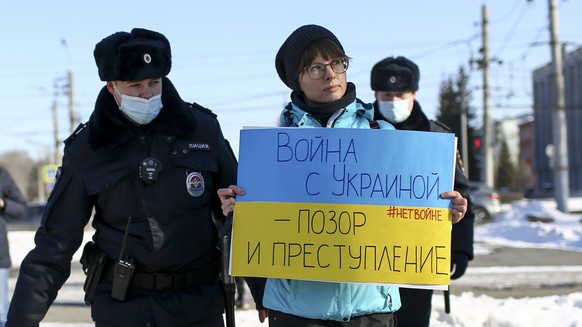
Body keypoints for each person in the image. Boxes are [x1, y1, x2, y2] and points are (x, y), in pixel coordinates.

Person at [217, 24, 468, 327]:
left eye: (337, 63)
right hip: (297, 313)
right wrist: (238, 212)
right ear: (296, 79)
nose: (331, 74)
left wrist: (443, 213)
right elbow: (258, 234)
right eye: (315, 68)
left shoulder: (383, 135)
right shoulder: (273, 148)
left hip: (371, 311)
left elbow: (403, 220)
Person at [6, 28, 238, 327]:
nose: (148, 94)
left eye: (155, 83)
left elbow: (244, 213)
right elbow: (55, 244)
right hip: (123, 308)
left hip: (197, 305)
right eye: (135, 85)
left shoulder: (202, 130)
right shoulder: (87, 149)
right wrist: (21, 321)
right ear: (111, 87)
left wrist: (262, 292)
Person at [370, 56, 475, 327]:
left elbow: (460, 194)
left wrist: (460, 249)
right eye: (387, 94)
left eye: (400, 94)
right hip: (366, 258)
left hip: (417, 261)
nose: (393, 100)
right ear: (376, 94)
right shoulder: (357, 132)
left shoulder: (438, 137)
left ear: (414, 93)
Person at [0, 167, 27, 327]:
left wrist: (3, 203)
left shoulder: (1, 175)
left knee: (1, 315)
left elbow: (21, 210)